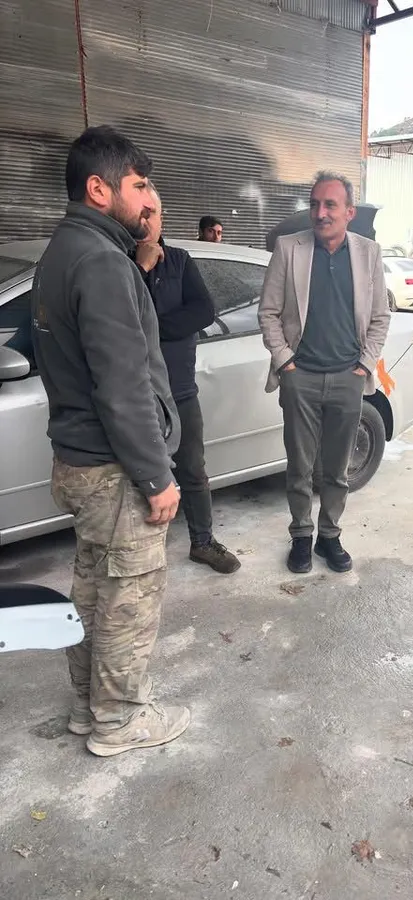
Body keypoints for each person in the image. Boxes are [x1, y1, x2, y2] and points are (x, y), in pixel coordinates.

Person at [31, 125, 190, 756]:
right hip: (116, 471)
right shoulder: (100, 262)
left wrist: (142, 248)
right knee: (129, 598)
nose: (151, 199)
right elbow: (123, 386)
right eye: (140, 185)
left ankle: (87, 707)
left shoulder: (65, 251)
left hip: (81, 461)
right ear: (99, 189)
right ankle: (120, 721)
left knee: (94, 591)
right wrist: (156, 476)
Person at [258, 171, 390, 574]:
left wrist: (364, 365)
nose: (320, 213)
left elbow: (380, 317)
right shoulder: (289, 248)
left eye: (330, 205)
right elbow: (269, 312)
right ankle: (301, 534)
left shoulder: (368, 253)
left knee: (337, 468)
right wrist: (286, 363)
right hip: (301, 378)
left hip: (348, 379)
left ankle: (329, 535)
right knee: (299, 466)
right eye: (315, 204)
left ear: (349, 212)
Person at [136, 186, 240, 573]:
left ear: (162, 219)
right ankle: (142, 553)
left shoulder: (180, 261)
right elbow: (119, 320)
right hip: (135, 396)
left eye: (153, 214)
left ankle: (203, 542)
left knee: (193, 470)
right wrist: (140, 270)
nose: (146, 221)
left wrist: (152, 330)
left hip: (179, 391)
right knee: (138, 477)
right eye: (140, 214)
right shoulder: (118, 265)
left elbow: (203, 311)